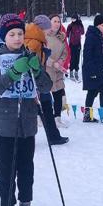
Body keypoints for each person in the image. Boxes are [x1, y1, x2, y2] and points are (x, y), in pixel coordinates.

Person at [0, 15, 53, 206]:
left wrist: (37, 70)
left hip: (28, 121)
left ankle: (25, 205)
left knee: (26, 168)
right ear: (4, 37)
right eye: (12, 34)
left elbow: (46, 86)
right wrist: (13, 73)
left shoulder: (31, 55)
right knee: (7, 169)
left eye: (20, 34)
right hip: (5, 122)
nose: (16, 38)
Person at [27, 15, 68, 145]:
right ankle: (28, 139)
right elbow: (31, 62)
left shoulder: (39, 39)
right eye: (47, 29)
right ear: (41, 28)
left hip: (41, 79)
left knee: (46, 107)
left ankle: (53, 136)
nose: (48, 31)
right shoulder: (34, 41)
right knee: (36, 109)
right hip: (35, 81)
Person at [82, 15, 103, 123]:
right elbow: (87, 55)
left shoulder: (101, 37)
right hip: (91, 69)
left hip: (98, 69)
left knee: (93, 91)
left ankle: (88, 115)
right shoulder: (92, 36)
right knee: (102, 89)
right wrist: (91, 72)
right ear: (97, 26)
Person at [46, 14, 69, 130]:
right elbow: (39, 54)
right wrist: (52, 63)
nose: (57, 23)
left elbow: (65, 52)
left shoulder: (61, 37)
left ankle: (57, 118)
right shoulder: (43, 36)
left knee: (58, 93)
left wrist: (60, 62)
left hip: (58, 70)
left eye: (58, 22)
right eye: (54, 21)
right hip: (46, 70)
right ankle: (43, 117)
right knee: (45, 95)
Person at [66, 14, 84, 81]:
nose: (73, 20)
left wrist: (81, 25)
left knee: (77, 58)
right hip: (72, 44)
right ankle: (71, 71)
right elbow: (67, 34)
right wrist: (69, 31)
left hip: (78, 44)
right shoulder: (70, 25)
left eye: (74, 19)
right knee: (72, 58)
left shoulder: (79, 25)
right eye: (72, 19)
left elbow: (82, 32)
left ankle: (76, 71)